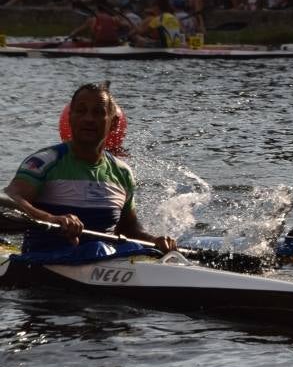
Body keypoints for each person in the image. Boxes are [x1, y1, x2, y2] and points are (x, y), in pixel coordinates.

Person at [4, 82, 176, 253]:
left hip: (105, 259)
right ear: (70, 117)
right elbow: (9, 198)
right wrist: (51, 219)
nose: (88, 119)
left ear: (114, 122)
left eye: (98, 112)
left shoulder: (122, 172)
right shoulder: (44, 161)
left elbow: (129, 229)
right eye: (81, 111)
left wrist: (155, 241)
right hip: (43, 259)